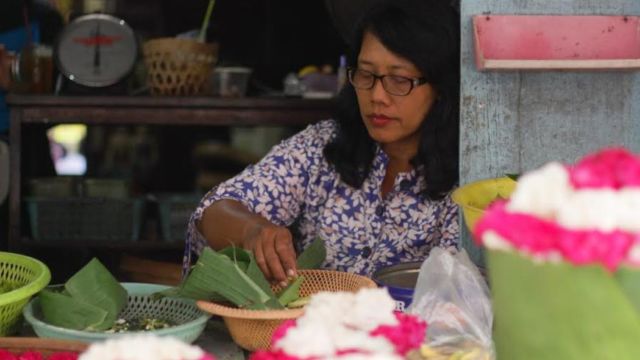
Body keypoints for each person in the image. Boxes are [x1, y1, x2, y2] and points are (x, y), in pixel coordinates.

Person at [184, 0, 460, 286]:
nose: (378, 95)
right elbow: (214, 210)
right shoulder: (322, 146)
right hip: (310, 329)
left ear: (440, 86)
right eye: (366, 74)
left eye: (399, 80)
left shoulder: (466, 180)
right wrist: (252, 232)